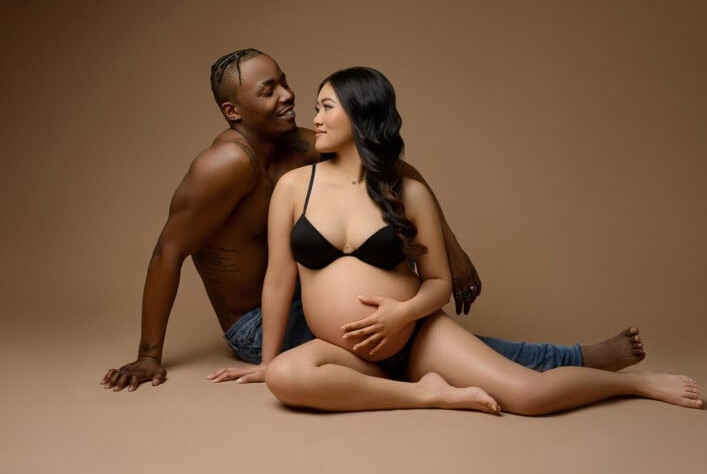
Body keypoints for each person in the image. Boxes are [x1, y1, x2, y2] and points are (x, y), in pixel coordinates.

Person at [102, 49, 644, 393]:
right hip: (259, 325)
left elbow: (391, 165)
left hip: (318, 306)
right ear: (233, 111)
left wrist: (450, 252)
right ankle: (567, 360)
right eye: (268, 90)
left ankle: (524, 367)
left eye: (286, 81)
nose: (289, 95)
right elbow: (167, 252)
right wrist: (150, 355)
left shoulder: (298, 144)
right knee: (424, 342)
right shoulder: (225, 165)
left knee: (420, 332)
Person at [211, 67, 703, 414]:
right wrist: (268, 360)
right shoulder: (296, 188)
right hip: (348, 355)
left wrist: (400, 314)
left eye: (325, 107)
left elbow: (439, 283)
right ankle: (426, 395)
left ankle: (639, 384)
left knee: (529, 396)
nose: (313, 119)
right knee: (285, 379)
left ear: (360, 116)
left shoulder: (409, 191)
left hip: (418, 339)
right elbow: (278, 280)